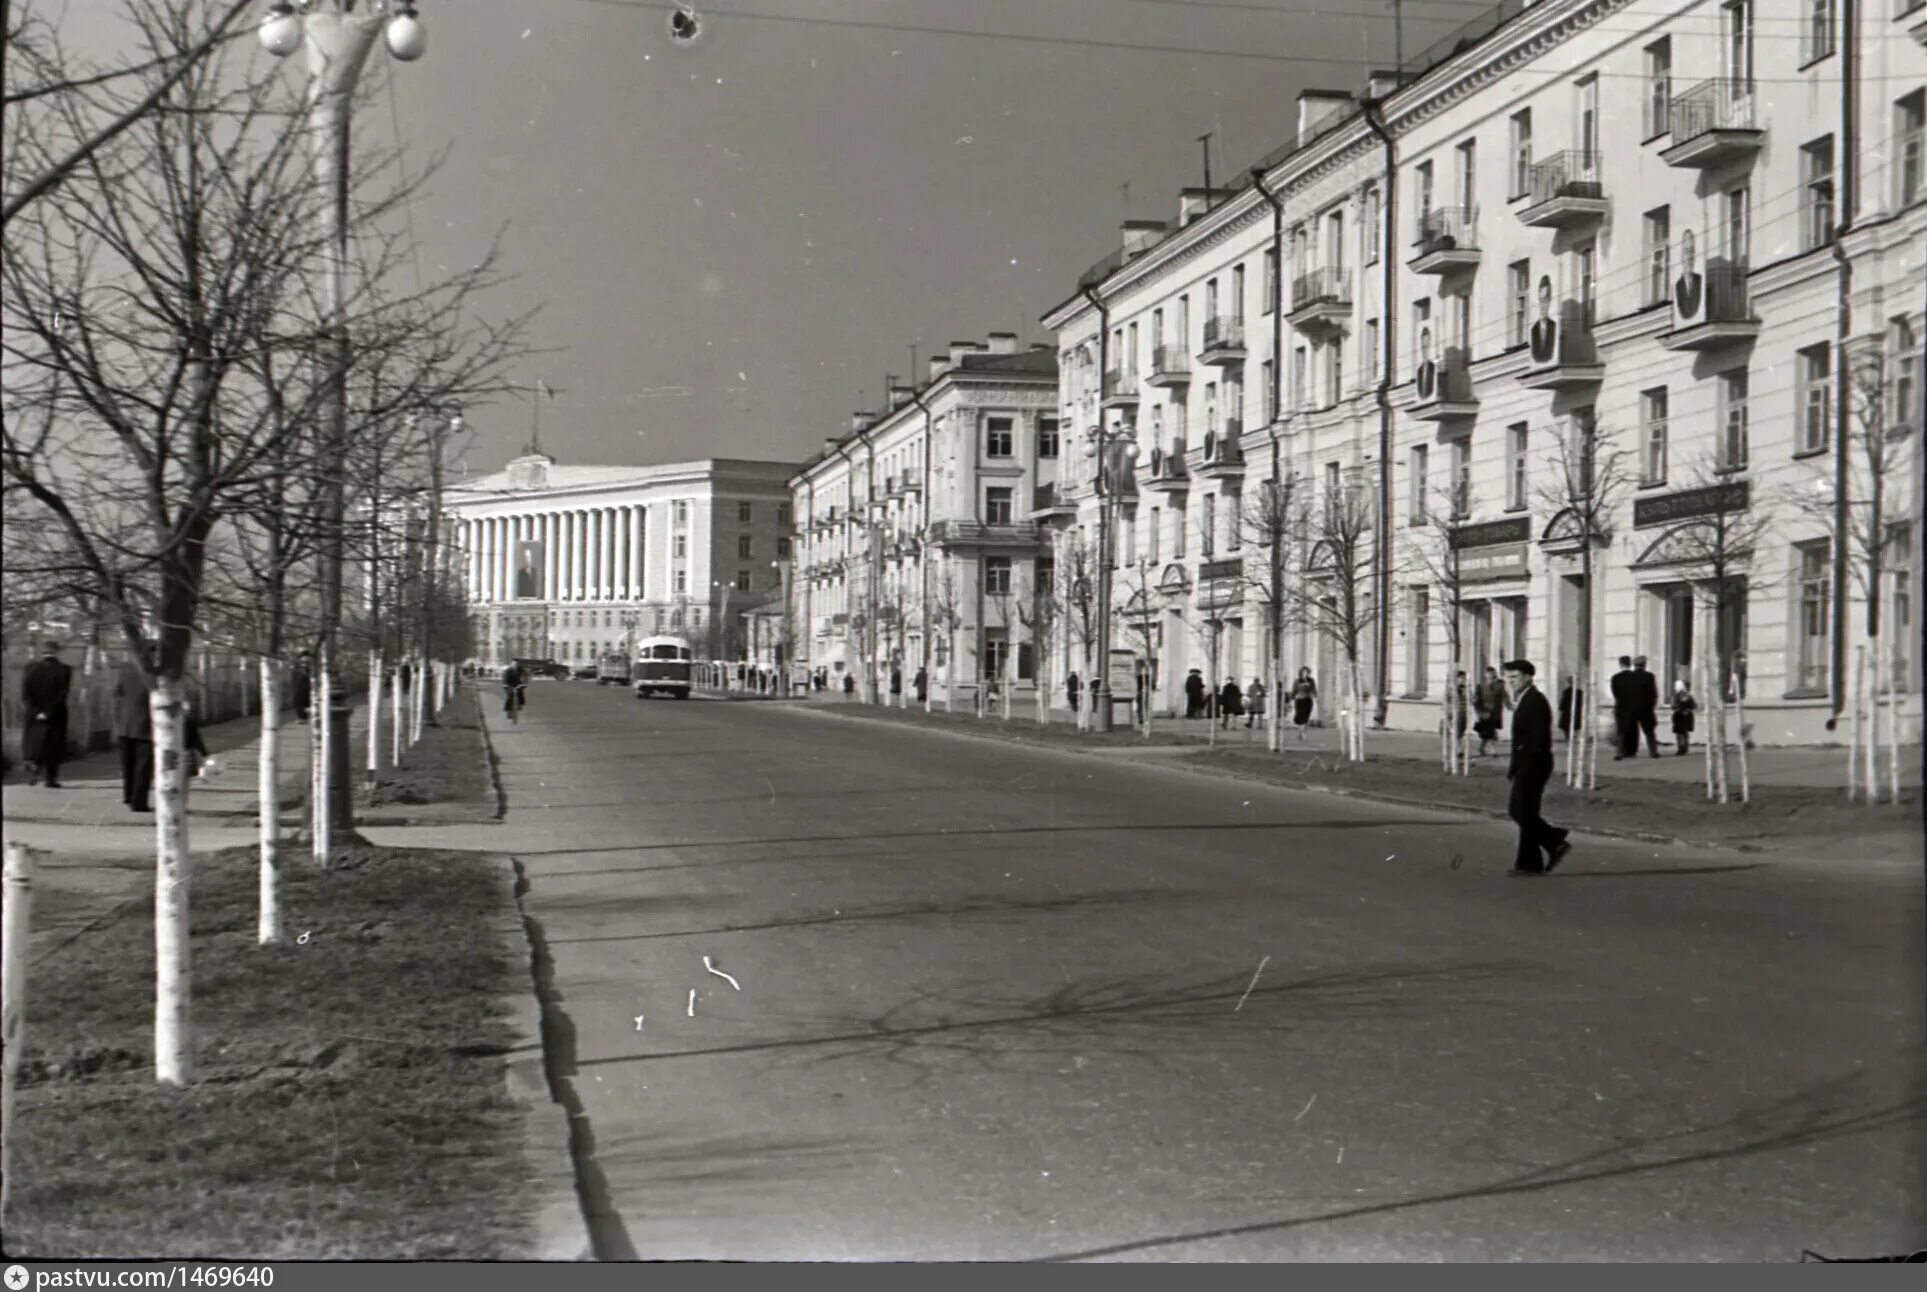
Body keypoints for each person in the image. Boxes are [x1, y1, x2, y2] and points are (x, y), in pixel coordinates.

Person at [1503, 659, 1571, 876]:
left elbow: (1536, 740)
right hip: (1529, 764)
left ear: (1528, 677)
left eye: (1514, 677)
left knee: (1519, 810)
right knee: (1526, 812)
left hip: (1534, 765)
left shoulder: (1535, 700)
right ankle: (1529, 863)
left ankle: (1554, 840)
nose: (1510, 682)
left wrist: (1523, 767)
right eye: (1509, 678)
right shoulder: (1526, 699)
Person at [21, 639, 74, 788]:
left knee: (35, 743)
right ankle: (51, 779)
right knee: (53, 745)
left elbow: (25, 695)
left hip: (33, 714)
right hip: (55, 714)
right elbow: (62, 694)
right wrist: (48, 712)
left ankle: (34, 766)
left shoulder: (29, 668)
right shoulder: (64, 670)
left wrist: (36, 711)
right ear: (57, 651)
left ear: (42, 652)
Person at [115, 644, 156, 812]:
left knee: (128, 763)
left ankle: (128, 795)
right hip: (147, 725)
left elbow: (117, 692)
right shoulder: (154, 673)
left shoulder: (125, 668)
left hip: (125, 724)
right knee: (143, 765)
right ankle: (138, 802)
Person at [1474, 666, 1508, 756]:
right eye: (1490, 677)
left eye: (1494, 676)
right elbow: (1476, 701)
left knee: (1489, 732)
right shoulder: (1480, 686)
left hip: (1496, 712)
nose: (1492, 679)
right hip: (1485, 713)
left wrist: (1510, 706)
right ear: (1486, 676)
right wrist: (1479, 713)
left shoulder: (1500, 685)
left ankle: (1481, 748)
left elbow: (1505, 697)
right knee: (1489, 732)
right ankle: (1492, 750)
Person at [1632, 655, 1662, 756]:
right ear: (1644, 665)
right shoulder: (1649, 676)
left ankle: (1632, 751)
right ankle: (1653, 751)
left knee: (1633, 731)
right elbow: (1654, 694)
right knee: (1649, 732)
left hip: (1633, 708)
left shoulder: (1631, 676)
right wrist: (1651, 705)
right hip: (1646, 709)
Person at [1609, 655, 1637, 759]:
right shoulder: (1635, 677)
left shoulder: (1616, 678)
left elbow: (1614, 692)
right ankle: (1631, 751)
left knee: (1621, 729)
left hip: (1620, 706)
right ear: (1630, 664)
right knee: (1632, 728)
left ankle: (1621, 750)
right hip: (1632, 707)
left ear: (1620, 664)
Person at [1671, 679, 1697, 755]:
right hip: (1687, 715)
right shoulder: (1688, 695)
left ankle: (1680, 748)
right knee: (1685, 732)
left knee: (1679, 733)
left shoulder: (1677, 695)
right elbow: (1694, 705)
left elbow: (1673, 706)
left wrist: (1678, 708)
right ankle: (1685, 747)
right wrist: (1688, 710)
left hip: (1679, 715)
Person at [1290, 667, 1317, 739]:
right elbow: (1294, 690)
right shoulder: (1297, 681)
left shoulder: (1311, 681)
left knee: (1306, 717)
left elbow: (1314, 689)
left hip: (1307, 700)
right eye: (1305, 672)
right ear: (1301, 673)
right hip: (1299, 700)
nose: (1306, 674)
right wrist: (1291, 698)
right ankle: (1301, 732)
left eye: (1308, 672)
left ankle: (1303, 733)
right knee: (1299, 717)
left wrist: (1315, 695)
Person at [1557, 676, 1584, 744]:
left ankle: (1569, 739)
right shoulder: (1579, 692)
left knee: (1567, 727)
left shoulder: (1566, 691)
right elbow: (1582, 703)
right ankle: (1574, 738)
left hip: (1568, 712)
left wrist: (1561, 708)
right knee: (1575, 726)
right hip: (1575, 712)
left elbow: (1563, 702)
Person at [1451, 670, 1471, 747]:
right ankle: (1458, 748)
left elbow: (1471, 699)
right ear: (1457, 679)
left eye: (1464, 678)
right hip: (1457, 711)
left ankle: (1457, 746)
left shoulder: (1466, 688)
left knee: (1462, 730)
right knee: (1458, 730)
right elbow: (1449, 699)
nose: (1463, 679)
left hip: (1465, 711)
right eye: (1461, 678)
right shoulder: (1454, 688)